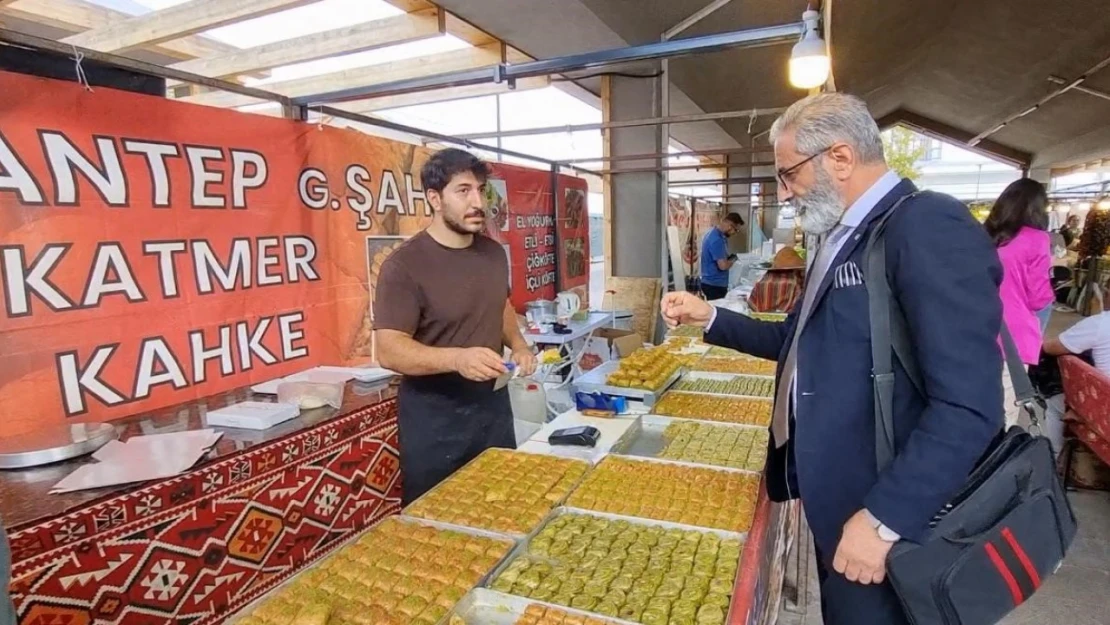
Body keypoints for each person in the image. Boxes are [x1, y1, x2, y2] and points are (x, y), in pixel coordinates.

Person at [661, 93, 1004, 625]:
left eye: (788, 173)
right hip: (839, 509)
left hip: (884, 520)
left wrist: (885, 518)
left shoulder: (925, 226)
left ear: (840, 158)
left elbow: (970, 404)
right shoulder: (843, 238)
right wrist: (709, 318)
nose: (784, 191)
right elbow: (796, 346)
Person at [373, 148, 537, 505]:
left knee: (499, 509)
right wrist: (457, 359)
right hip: (435, 421)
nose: (477, 201)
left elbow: (501, 306)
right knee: (438, 527)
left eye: (480, 189)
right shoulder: (404, 266)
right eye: (463, 191)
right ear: (434, 198)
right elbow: (388, 349)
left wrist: (519, 345)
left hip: (493, 409)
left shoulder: (493, 254)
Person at [984, 178, 1054, 427]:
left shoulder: (984, 236)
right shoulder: (1037, 239)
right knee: (1004, 416)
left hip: (975, 332)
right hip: (1012, 339)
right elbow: (1038, 298)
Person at [699, 212, 744, 301]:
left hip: (711, 283)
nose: (734, 233)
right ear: (730, 226)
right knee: (717, 311)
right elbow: (723, 266)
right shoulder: (717, 240)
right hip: (714, 286)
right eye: (736, 230)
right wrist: (733, 260)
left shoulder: (715, 234)